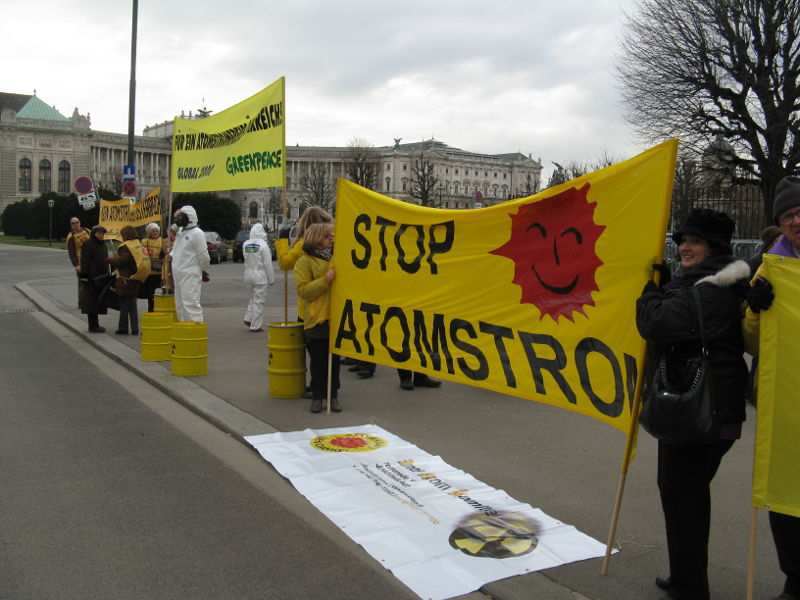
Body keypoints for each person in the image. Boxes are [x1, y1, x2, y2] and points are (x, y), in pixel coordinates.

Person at [636, 208, 751, 600]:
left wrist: (650, 293)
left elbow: (657, 324)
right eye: (682, 240)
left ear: (713, 247)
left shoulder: (712, 289)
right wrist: (668, 287)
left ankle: (689, 586)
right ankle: (686, 576)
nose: (684, 247)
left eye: (695, 241)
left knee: (682, 495)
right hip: (708, 410)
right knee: (685, 494)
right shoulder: (704, 283)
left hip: (700, 412)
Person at [743, 176, 800, 600]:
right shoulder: (770, 266)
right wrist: (755, 311)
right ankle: (794, 577)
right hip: (785, 398)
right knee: (784, 493)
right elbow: (750, 340)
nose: (796, 221)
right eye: (787, 216)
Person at [294, 222, 341, 413]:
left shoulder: (337, 258)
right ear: (316, 238)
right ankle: (318, 394)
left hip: (336, 317)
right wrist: (325, 280)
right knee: (318, 360)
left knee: (335, 361)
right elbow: (304, 291)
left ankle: (333, 395)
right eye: (327, 236)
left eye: (332, 236)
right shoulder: (304, 262)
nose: (331, 238)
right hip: (316, 318)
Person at [167, 205, 209, 323]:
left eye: (181, 216)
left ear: (189, 217)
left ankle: (195, 332)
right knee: (180, 305)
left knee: (190, 304)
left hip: (190, 274)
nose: (179, 219)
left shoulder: (197, 233)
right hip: (178, 274)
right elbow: (177, 249)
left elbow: (204, 256)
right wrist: (170, 255)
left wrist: (202, 269)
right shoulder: (181, 232)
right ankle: (184, 332)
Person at [109, 225, 143, 335]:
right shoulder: (138, 244)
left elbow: (123, 261)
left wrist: (112, 260)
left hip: (125, 278)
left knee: (124, 305)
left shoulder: (126, 247)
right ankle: (135, 328)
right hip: (136, 277)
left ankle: (123, 328)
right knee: (133, 305)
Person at [242, 223, 276, 332]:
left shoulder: (246, 244)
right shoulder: (264, 246)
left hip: (248, 275)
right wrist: (271, 279)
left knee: (253, 298)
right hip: (260, 276)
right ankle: (255, 325)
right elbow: (267, 264)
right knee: (259, 300)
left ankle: (248, 318)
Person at [78, 225, 109, 333]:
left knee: (98, 301)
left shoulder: (102, 244)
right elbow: (84, 260)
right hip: (91, 278)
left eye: (103, 233)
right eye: (99, 233)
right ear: (94, 233)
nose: (101, 235)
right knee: (91, 302)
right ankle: (93, 325)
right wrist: (84, 276)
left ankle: (95, 324)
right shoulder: (88, 244)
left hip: (101, 278)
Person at [140, 222, 167, 312]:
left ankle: (160, 310)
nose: (155, 232)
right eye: (153, 231)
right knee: (151, 294)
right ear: (149, 232)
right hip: (150, 273)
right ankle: (151, 310)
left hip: (161, 273)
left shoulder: (162, 241)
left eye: (157, 230)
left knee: (160, 293)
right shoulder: (144, 242)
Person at [67, 216, 91, 306]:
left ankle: (90, 301)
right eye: (73, 223)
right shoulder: (71, 237)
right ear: (71, 225)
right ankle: (81, 303)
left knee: (91, 282)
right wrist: (76, 265)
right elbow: (71, 252)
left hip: (90, 261)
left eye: (77, 222)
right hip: (81, 263)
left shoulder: (87, 231)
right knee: (82, 283)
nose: (75, 225)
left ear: (80, 223)